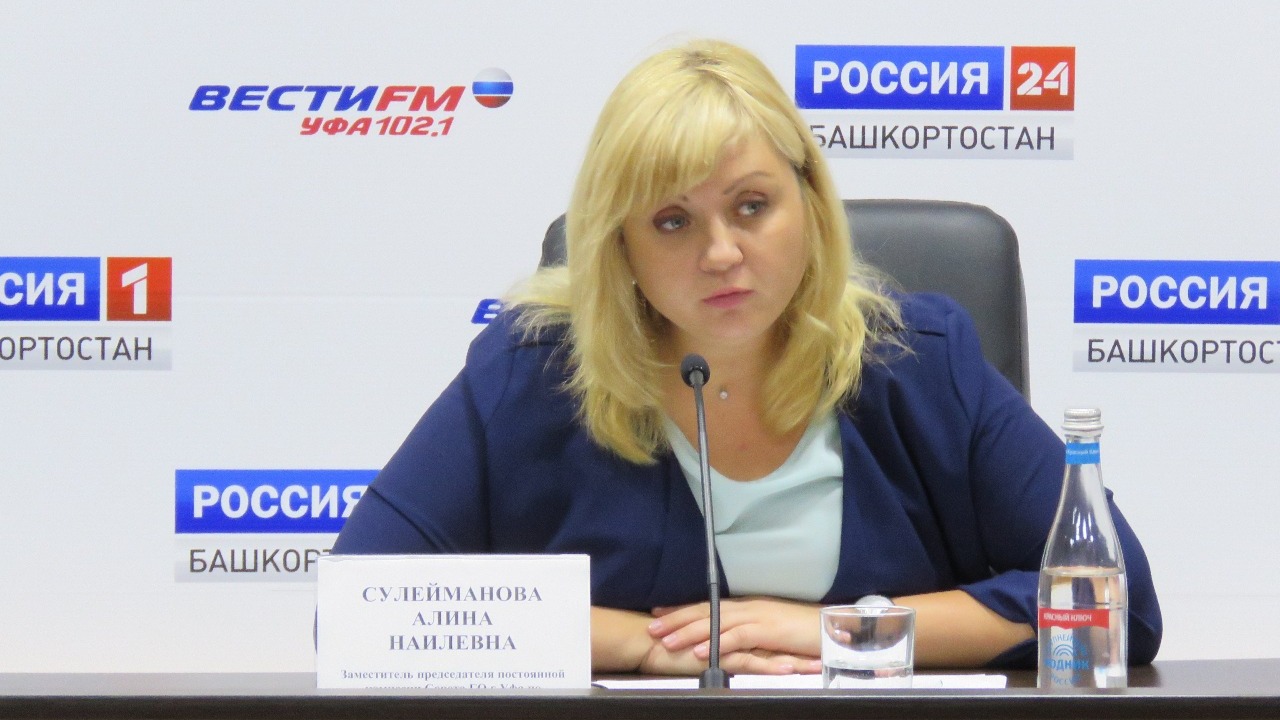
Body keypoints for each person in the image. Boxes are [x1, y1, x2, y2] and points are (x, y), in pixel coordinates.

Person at [332, 39, 1161, 675]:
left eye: (752, 206)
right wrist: (644, 645)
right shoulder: (532, 372)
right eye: (672, 221)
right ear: (618, 245)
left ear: (810, 205)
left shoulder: (918, 361)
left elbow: (1113, 603)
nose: (721, 252)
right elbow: (359, 610)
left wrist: (842, 633)